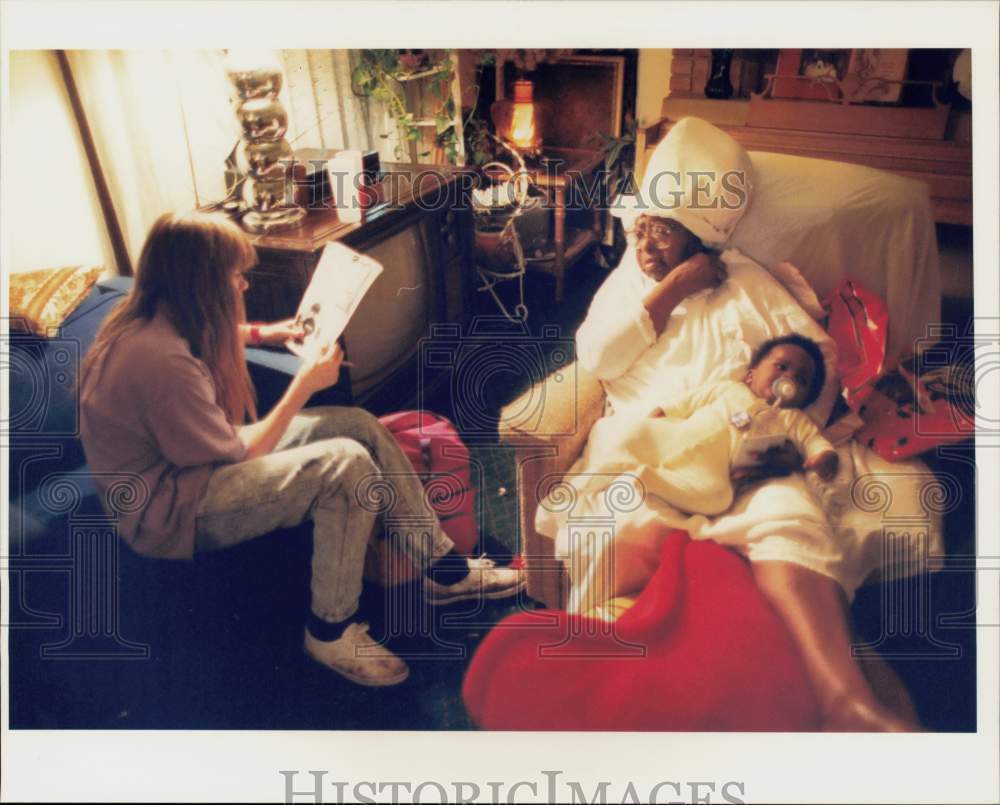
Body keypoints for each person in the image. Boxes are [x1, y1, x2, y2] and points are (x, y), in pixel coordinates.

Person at [79, 211, 523, 688]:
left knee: (358, 427)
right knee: (344, 465)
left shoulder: (155, 313)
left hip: (190, 464)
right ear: (200, 282)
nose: (243, 286)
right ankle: (329, 630)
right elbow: (239, 455)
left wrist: (262, 334)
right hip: (172, 508)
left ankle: (443, 570)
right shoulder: (159, 361)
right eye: (235, 275)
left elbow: (205, 341)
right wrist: (304, 387)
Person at [541, 208, 922, 731]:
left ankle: (845, 700)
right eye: (640, 228)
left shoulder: (747, 281)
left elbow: (821, 359)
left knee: (790, 513)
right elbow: (597, 358)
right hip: (662, 445)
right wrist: (675, 286)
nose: (645, 244)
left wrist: (783, 436)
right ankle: (608, 679)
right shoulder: (631, 277)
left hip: (755, 450)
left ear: (702, 238)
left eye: (663, 230)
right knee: (619, 521)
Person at [568, 333, 839, 520]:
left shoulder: (793, 420)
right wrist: (657, 417)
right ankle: (590, 482)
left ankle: (645, 479)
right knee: (632, 433)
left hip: (712, 467)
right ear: (750, 374)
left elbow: (814, 441)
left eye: (801, 380)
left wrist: (824, 456)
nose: (788, 377)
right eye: (781, 366)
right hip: (677, 435)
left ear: (805, 399)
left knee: (718, 498)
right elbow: (681, 404)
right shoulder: (728, 388)